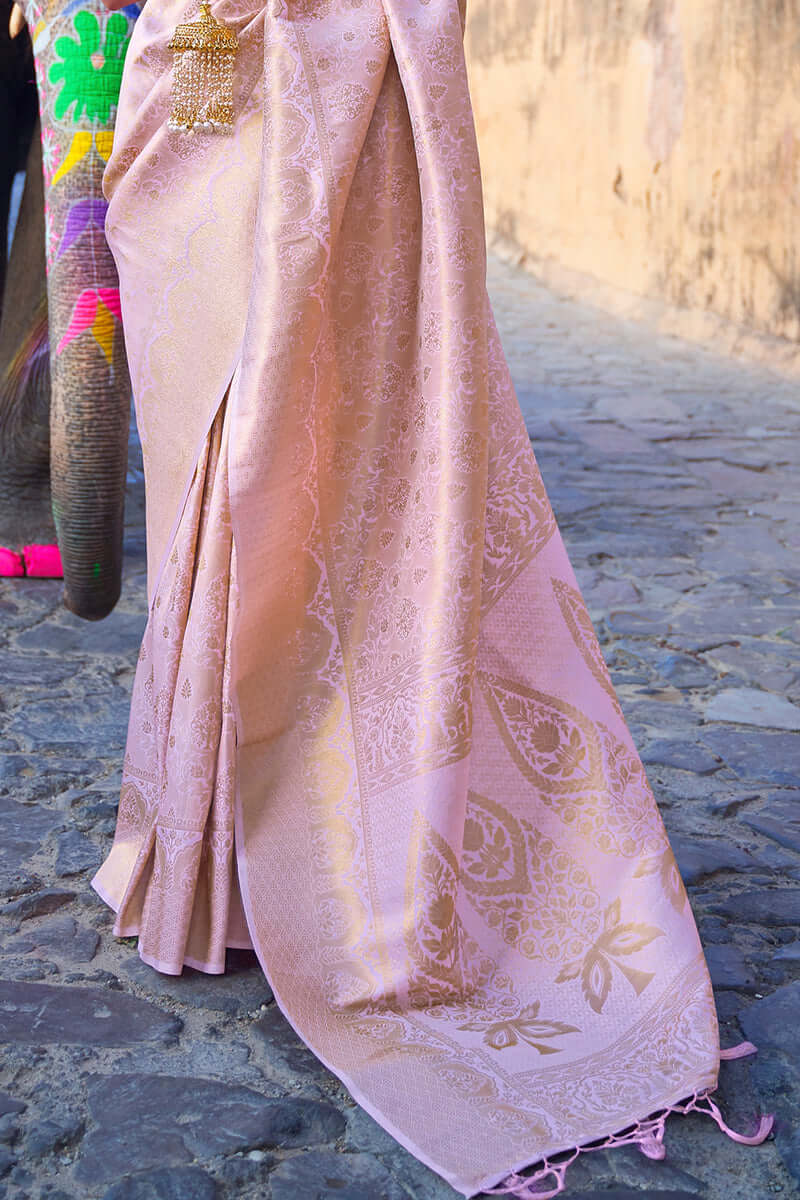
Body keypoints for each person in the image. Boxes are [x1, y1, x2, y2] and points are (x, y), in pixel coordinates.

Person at [89, 0, 773, 1194]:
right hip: (196, 83)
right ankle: (211, 856)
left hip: (348, 67)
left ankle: (307, 864)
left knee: (324, 469)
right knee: (206, 466)